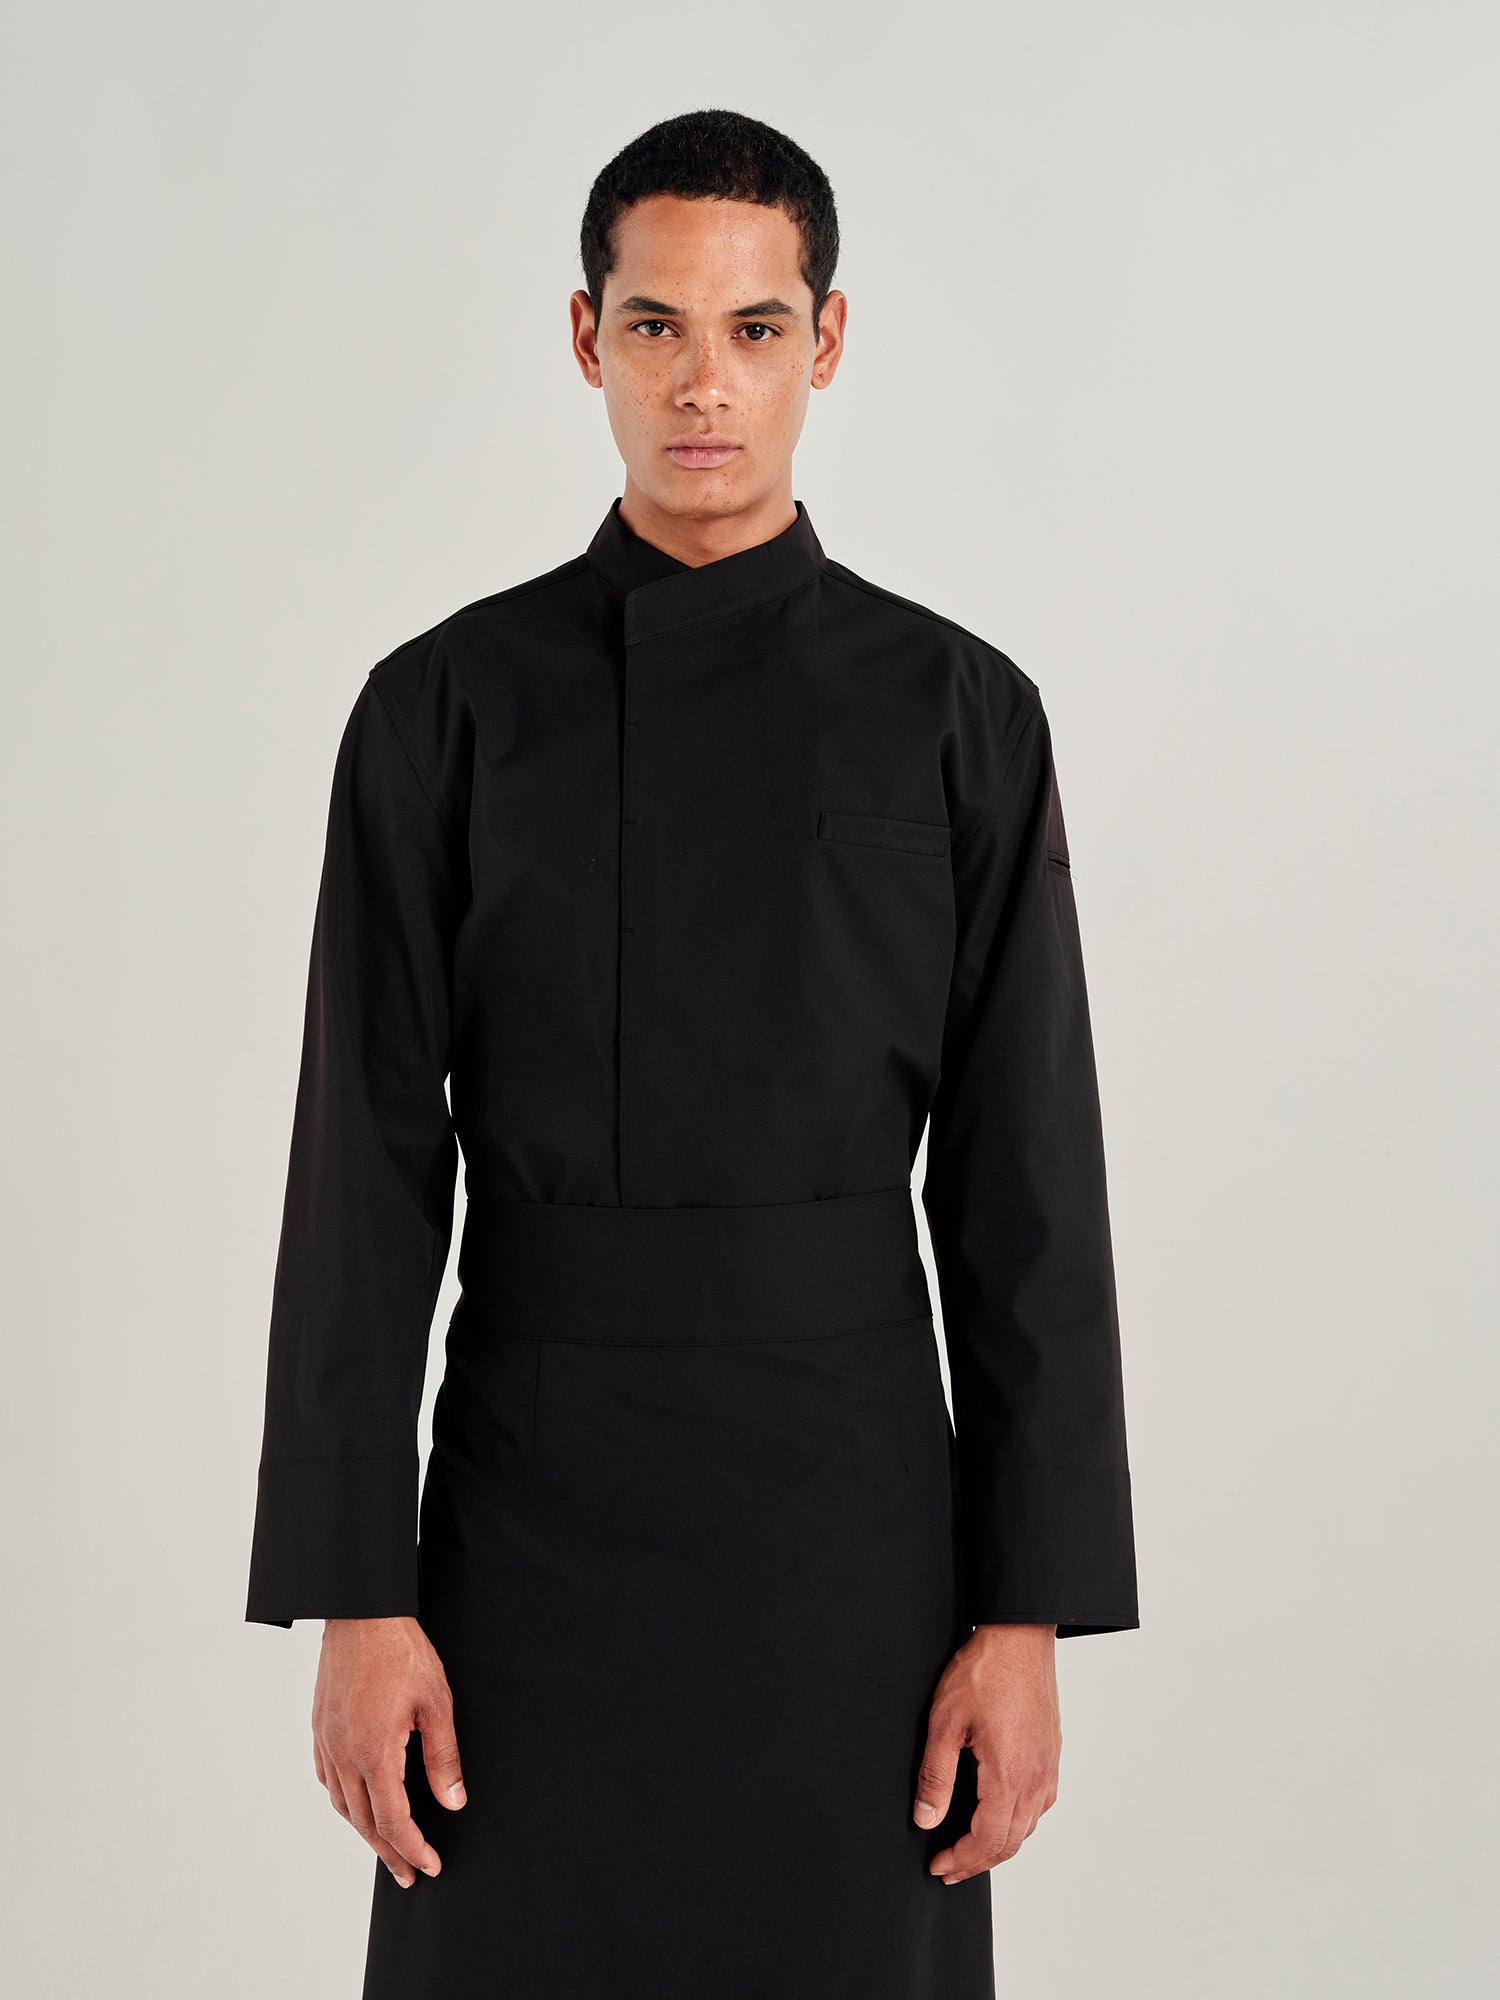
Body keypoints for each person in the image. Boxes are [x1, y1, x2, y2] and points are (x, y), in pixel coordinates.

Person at [246, 107, 1139, 2000]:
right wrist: (357, 1596)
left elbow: (1027, 1192)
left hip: (854, 1539)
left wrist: (1027, 1615)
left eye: (752, 329)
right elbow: (363, 1176)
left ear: (828, 341)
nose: (703, 384)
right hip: (523, 1524)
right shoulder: (442, 709)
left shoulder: (961, 713)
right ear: (587, 339)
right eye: (655, 326)